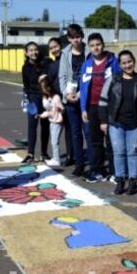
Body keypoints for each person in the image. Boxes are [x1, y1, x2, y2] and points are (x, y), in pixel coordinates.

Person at [99, 50, 137, 195]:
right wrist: (103, 121)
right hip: (116, 123)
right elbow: (103, 101)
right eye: (124, 63)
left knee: (133, 153)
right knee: (118, 152)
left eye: (129, 61)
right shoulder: (113, 80)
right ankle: (120, 180)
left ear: (134, 61)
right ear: (120, 65)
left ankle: (133, 181)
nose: (127, 65)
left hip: (135, 124)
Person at [79, 33, 121, 182]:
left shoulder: (113, 62)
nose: (95, 48)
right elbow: (83, 88)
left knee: (111, 140)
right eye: (92, 45)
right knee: (95, 140)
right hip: (91, 107)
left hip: (109, 107)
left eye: (98, 44)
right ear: (89, 48)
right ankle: (98, 170)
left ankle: (116, 172)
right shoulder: (87, 64)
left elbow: (119, 85)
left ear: (103, 45)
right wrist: (83, 108)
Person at [59, 24, 91, 177]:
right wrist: (66, 94)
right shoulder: (65, 53)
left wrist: (80, 94)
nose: (76, 40)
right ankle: (79, 164)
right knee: (75, 133)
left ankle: (93, 163)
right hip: (70, 99)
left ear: (82, 36)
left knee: (89, 132)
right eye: (73, 37)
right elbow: (62, 76)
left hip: (86, 98)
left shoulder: (89, 51)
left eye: (78, 36)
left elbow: (91, 77)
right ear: (69, 38)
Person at [45, 37, 73, 166]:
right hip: (57, 102)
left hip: (69, 98)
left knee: (70, 130)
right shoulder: (51, 65)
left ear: (61, 46)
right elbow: (49, 83)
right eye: (51, 48)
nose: (54, 49)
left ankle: (70, 155)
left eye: (55, 46)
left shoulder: (68, 59)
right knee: (58, 130)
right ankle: (65, 155)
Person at [21, 42, 47, 164]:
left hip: (46, 98)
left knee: (45, 126)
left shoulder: (45, 63)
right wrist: (27, 100)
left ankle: (44, 152)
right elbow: (26, 86)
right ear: (26, 53)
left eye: (35, 49)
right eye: (30, 50)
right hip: (33, 98)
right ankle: (30, 153)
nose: (34, 52)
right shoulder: (25, 67)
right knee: (32, 126)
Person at [39, 75, 65, 167]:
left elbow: (62, 108)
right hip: (52, 121)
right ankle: (55, 157)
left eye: (44, 88)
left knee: (55, 141)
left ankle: (57, 160)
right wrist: (41, 116)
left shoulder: (56, 97)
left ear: (49, 88)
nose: (43, 90)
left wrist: (60, 109)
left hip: (57, 122)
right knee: (53, 141)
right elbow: (49, 112)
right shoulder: (48, 98)